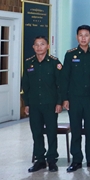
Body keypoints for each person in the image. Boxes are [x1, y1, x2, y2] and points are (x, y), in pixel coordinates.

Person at [62, 25, 90, 172]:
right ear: (77, 37)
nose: (83, 38)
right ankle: (76, 160)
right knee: (76, 130)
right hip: (74, 98)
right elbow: (65, 78)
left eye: (86, 35)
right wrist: (65, 98)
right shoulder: (70, 55)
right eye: (81, 35)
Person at [21, 36, 63, 172]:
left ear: (48, 46)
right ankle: (39, 160)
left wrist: (59, 102)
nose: (39, 47)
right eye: (37, 45)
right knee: (36, 132)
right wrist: (27, 103)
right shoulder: (29, 63)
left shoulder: (54, 63)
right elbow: (25, 85)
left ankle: (52, 160)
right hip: (34, 104)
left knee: (51, 132)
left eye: (42, 44)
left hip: (50, 104)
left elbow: (60, 84)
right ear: (33, 47)